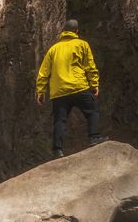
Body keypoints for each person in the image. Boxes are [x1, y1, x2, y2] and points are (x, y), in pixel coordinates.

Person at [36, 19, 108, 158]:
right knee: (92, 111)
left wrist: (41, 91)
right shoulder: (82, 45)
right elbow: (90, 67)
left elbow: (43, 72)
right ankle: (93, 137)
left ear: (64, 31)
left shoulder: (54, 49)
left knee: (60, 120)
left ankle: (57, 150)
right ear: (76, 31)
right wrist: (94, 85)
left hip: (59, 92)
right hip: (79, 87)